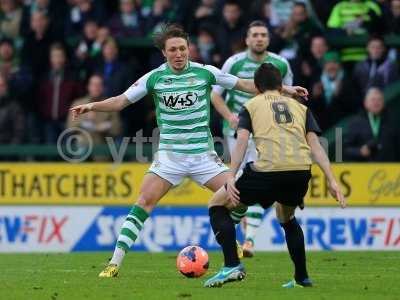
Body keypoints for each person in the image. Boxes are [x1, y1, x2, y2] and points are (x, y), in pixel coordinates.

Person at [69, 24, 308, 278]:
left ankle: (231, 238)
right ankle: (114, 263)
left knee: (240, 198)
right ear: (164, 52)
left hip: (203, 157)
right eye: (173, 50)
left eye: (183, 48)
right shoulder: (155, 78)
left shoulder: (206, 73)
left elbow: (245, 85)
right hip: (170, 158)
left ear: (189, 49)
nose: (179, 54)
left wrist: (286, 89)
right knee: (143, 202)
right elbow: (120, 101)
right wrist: (91, 105)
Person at [204, 63, 346, 288]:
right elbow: (316, 146)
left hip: (268, 170)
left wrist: (231, 175)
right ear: (281, 86)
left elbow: (241, 142)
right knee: (286, 216)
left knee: (216, 204)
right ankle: (302, 278)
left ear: (257, 87)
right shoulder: (300, 108)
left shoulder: (251, 105)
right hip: (300, 172)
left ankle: (232, 265)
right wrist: (332, 179)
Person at [211, 20, 293, 257]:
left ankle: (247, 241)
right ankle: (240, 237)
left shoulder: (280, 63)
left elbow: (287, 97)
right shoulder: (234, 63)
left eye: (263, 35)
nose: (259, 38)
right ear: (247, 39)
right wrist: (229, 116)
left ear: (268, 39)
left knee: (255, 178)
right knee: (242, 180)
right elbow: (215, 95)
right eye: (254, 34)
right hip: (236, 132)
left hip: (265, 130)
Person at [344, 87, 400, 162]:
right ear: (365, 103)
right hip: (365, 170)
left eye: (379, 99)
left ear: (383, 103)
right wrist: (360, 152)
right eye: (373, 99)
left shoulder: (392, 121)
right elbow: (346, 150)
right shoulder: (355, 122)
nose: (376, 102)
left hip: (390, 169)